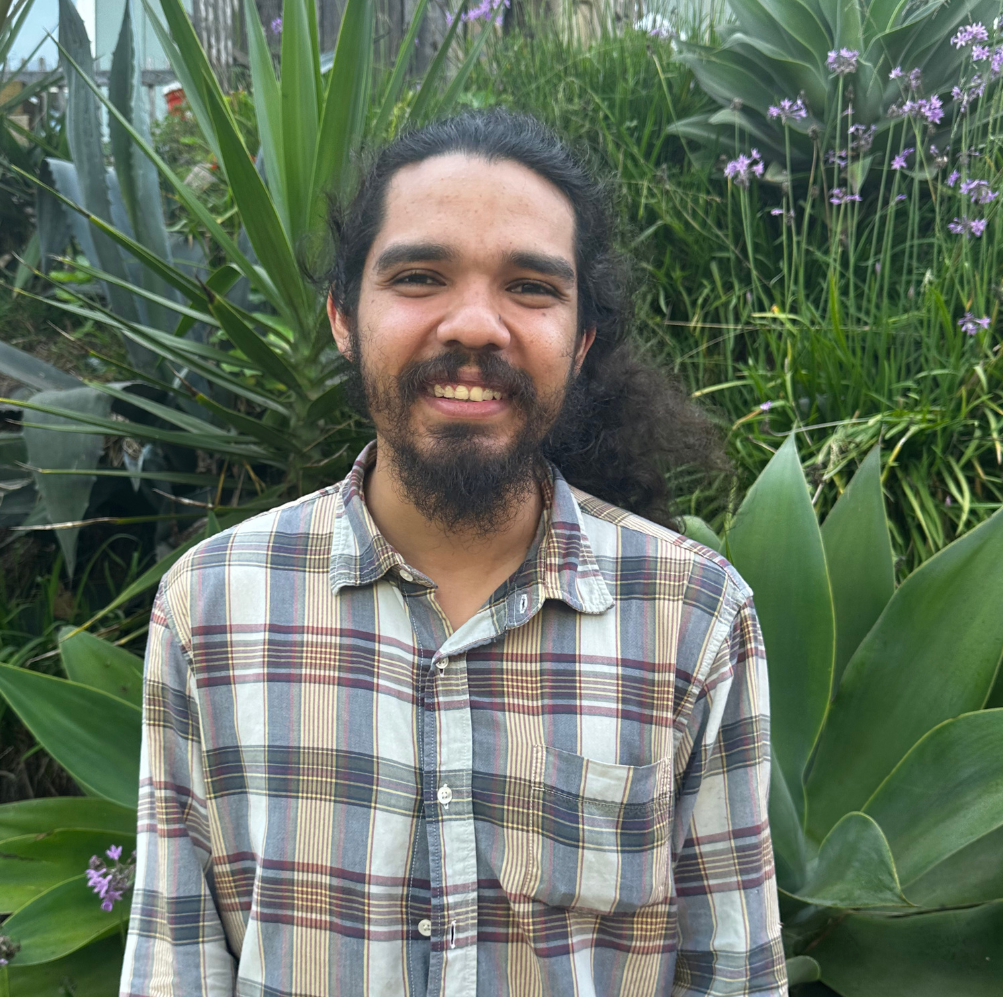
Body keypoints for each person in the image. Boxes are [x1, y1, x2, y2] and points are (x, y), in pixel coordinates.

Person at [120, 110, 787, 997]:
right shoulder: (212, 606)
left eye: (531, 288)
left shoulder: (694, 619)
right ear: (343, 318)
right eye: (421, 277)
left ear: (581, 341)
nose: (475, 325)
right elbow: (176, 965)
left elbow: (734, 978)